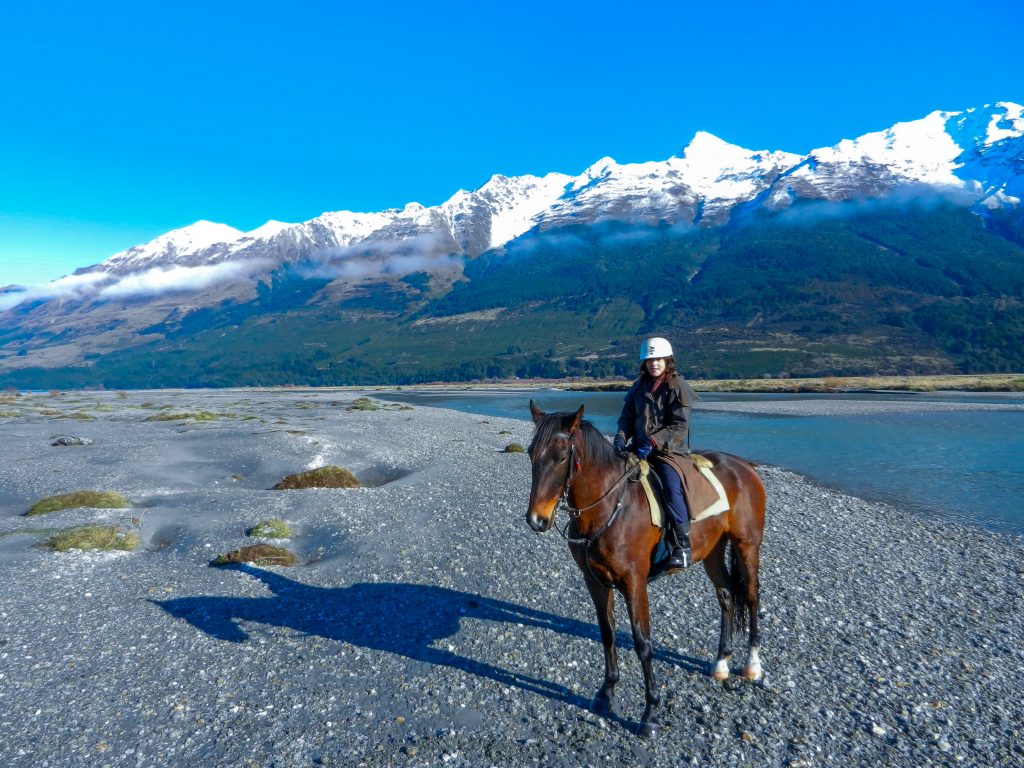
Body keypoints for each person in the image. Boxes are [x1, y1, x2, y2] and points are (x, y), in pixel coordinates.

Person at [613, 337, 697, 571]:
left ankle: (682, 545)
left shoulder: (677, 386)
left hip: (669, 451)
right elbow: (627, 417)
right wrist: (621, 436)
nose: (654, 364)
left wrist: (653, 441)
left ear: (667, 360)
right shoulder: (638, 387)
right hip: (639, 447)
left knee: (671, 487)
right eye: (650, 360)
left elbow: (679, 425)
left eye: (658, 359)